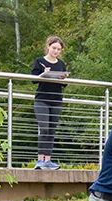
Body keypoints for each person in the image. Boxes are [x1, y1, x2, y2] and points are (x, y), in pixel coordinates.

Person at [31, 35, 68, 170]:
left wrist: (63, 78)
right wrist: (44, 74)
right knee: (44, 128)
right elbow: (33, 79)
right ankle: (40, 160)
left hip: (56, 100)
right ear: (48, 46)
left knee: (51, 130)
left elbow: (64, 84)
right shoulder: (39, 61)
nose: (56, 51)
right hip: (42, 99)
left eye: (58, 49)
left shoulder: (61, 64)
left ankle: (48, 160)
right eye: (54, 48)